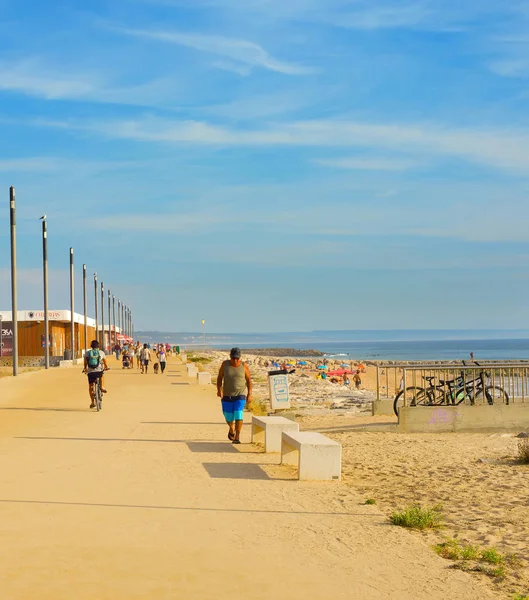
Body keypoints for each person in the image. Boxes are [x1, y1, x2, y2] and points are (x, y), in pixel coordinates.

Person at [216, 348, 252, 444]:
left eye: (237, 358)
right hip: (227, 395)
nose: (235, 360)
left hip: (240, 394)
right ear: (230, 357)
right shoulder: (225, 364)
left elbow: (249, 380)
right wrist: (219, 390)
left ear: (239, 358)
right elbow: (220, 377)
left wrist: (249, 394)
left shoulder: (244, 366)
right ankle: (231, 428)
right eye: (233, 358)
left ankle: (237, 437)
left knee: (238, 413)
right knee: (228, 417)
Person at [83, 340, 109, 409]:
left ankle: (92, 402)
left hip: (91, 372)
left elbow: (85, 363)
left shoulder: (87, 353)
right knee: (102, 375)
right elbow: (105, 362)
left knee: (91, 386)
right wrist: (106, 367)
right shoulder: (101, 353)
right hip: (99, 371)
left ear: (91, 346)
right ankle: (102, 387)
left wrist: (85, 369)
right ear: (98, 346)